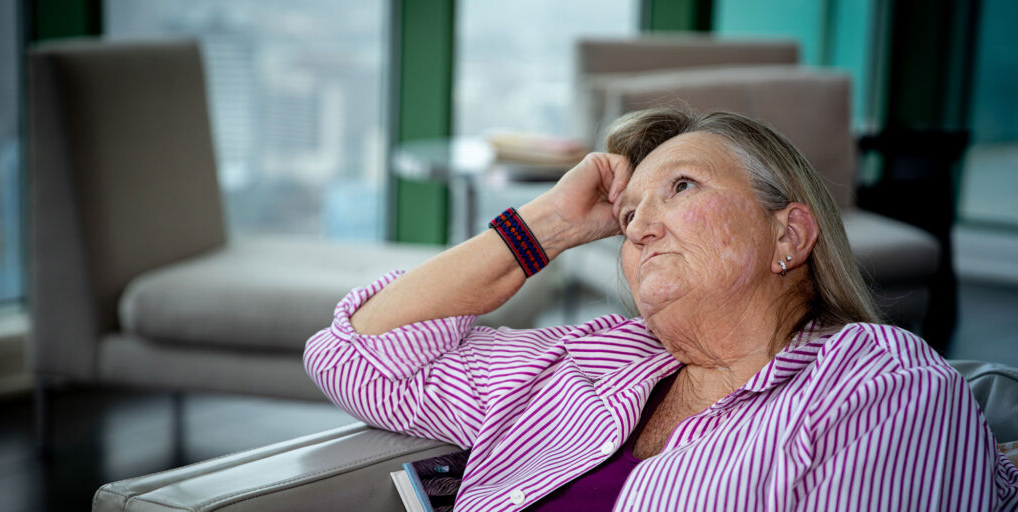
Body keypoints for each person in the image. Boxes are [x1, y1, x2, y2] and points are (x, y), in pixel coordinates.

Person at [304, 108, 1018, 511]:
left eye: (681, 187)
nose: (640, 226)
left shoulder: (881, 386)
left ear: (789, 235)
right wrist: (549, 224)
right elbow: (359, 356)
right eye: (628, 215)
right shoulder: (585, 364)